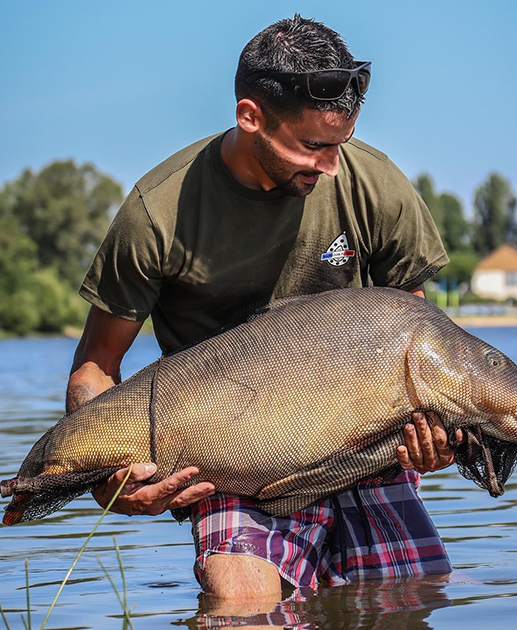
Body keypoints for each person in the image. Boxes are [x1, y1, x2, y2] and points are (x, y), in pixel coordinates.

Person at [68, 15, 457, 599]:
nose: (331, 166)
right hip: (233, 463)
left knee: (414, 601)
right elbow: (96, 367)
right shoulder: (157, 214)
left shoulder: (375, 184)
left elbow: (419, 343)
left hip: (362, 448)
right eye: (312, 146)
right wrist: (109, 478)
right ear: (250, 116)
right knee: (241, 605)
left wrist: (440, 434)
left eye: (341, 144)